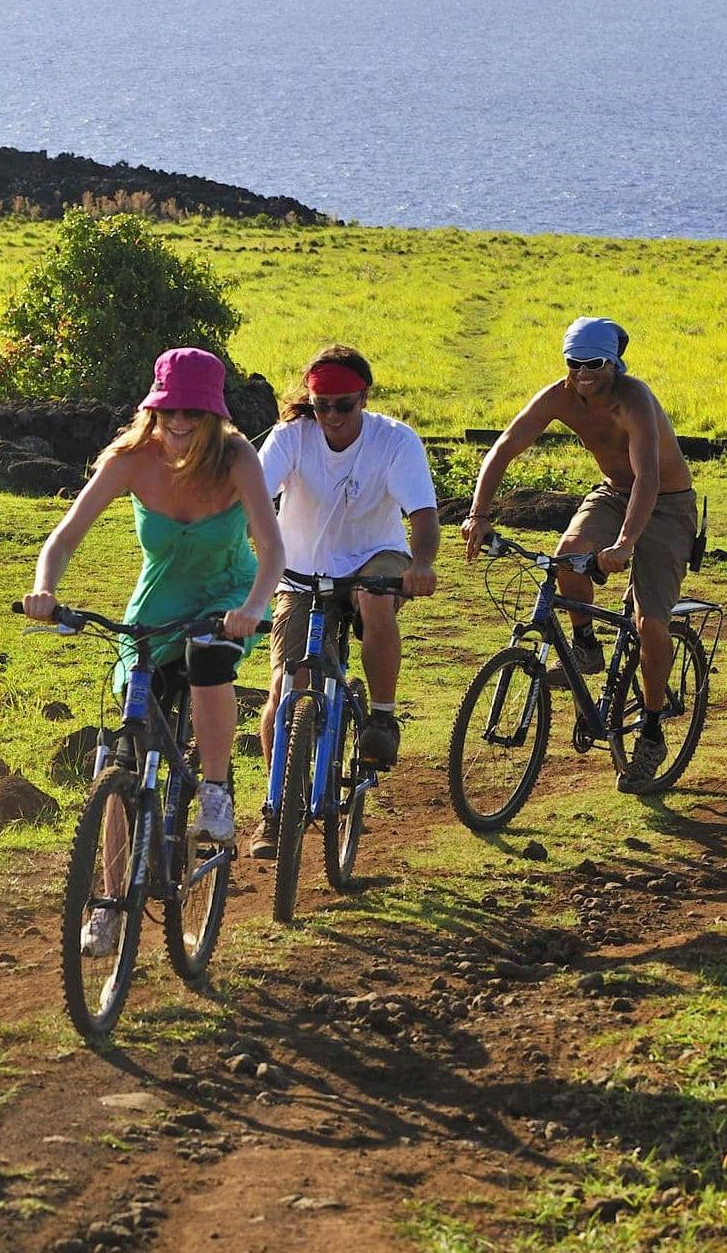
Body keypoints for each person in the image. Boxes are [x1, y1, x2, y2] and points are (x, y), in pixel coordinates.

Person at [23, 347, 285, 869]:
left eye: (193, 411)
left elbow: (272, 550)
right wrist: (44, 589)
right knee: (127, 748)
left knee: (209, 658)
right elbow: (66, 536)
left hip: (226, 595)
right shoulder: (130, 460)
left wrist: (255, 606)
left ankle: (214, 792)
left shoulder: (236, 458)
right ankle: (108, 900)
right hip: (156, 602)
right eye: (170, 410)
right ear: (154, 410)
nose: (180, 421)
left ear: (213, 414)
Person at [461, 315, 697, 794]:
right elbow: (505, 446)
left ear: (613, 363)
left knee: (650, 622)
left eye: (594, 363)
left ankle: (651, 730)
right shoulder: (559, 395)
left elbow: (648, 477)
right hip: (612, 493)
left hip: (667, 505)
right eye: (575, 363)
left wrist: (626, 544)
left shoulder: (634, 399)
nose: (584, 373)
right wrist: (478, 513)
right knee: (566, 554)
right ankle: (585, 648)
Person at [250, 343, 440, 858]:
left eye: (343, 405)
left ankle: (380, 716)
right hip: (300, 571)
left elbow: (422, 513)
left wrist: (420, 565)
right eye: (321, 405)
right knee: (283, 685)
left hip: (374, 558)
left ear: (364, 398)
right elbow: (254, 494)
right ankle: (274, 809)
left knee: (372, 598)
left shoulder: (395, 441)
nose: (331, 416)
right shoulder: (291, 437)